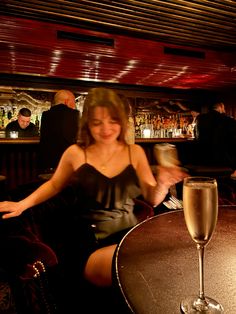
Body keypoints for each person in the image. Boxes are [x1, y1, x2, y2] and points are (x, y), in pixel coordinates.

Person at [0, 87, 187, 289]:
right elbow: (54, 185)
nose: (106, 129)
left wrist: (163, 183)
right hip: (87, 241)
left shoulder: (135, 152)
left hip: (127, 233)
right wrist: (21, 204)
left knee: (174, 255)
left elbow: (152, 198)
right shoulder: (76, 153)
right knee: (151, 267)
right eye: (97, 122)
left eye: (112, 120)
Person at [38, 89, 80, 173]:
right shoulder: (74, 114)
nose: (74, 105)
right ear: (67, 101)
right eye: (73, 102)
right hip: (67, 164)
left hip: (47, 164)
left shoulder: (45, 114)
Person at [195, 101, 236, 179]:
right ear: (220, 107)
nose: (224, 110)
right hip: (222, 161)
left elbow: (196, 136)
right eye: (224, 108)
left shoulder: (200, 119)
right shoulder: (228, 120)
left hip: (201, 158)